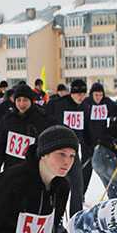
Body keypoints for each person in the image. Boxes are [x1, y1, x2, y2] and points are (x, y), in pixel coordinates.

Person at [0, 84, 51, 179]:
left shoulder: (42, 119)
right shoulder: (8, 120)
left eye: (25, 100)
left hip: (33, 173)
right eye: (18, 100)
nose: (21, 104)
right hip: (11, 171)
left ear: (31, 101)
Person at [44, 79, 88, 215]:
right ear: (72, 93)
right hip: (56, 152)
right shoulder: (58, 104)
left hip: (73, 153)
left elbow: (86, 129)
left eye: (83, 94)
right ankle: (53, 218)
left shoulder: (85, 106)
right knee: (56, 186)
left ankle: (76, 219)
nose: (80, 97)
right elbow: (45, 119)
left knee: (77, 186)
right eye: (77, 94)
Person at [78, 82, 115, 192]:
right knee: (86, 169)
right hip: (87, 142)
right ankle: (81, 193)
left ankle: (111, 191)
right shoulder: (86, 103)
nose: (99, 97)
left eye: (100, 95)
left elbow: (116, 109)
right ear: (91, 94)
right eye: (96, 95)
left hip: (102, 142)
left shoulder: (106, 102)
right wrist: (85, 141)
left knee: (105, 168)